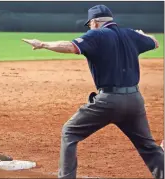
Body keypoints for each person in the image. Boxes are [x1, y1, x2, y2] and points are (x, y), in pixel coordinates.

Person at [22, 4, 164, 179]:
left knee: (70, 132)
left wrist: (43, 44)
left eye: (89, 24)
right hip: (135, 101)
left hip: (109, 101)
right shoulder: (130, 34)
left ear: (95, 22)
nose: (89, 27)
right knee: (149, 147)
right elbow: (155, 42)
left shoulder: (97, 34)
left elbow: (70, 46)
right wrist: (142, 35)